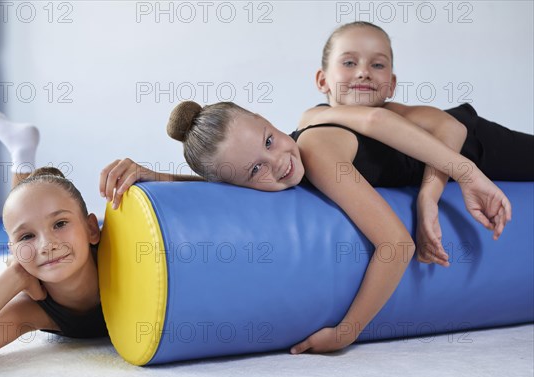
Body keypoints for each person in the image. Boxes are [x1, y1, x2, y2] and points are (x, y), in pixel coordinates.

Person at [99, 99, 513, 355]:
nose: (277, 161)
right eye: (256, 169)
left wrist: (346, 332)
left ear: (268, 120)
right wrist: (162, 179)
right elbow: (220, 188)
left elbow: (397, 244)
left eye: (268, 140)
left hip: (477, 144)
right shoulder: (276, 165)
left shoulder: (314, 150)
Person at [305, 21, 533, 266]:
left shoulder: (390, 112)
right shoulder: (316, 124)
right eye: (349, 62)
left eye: (378, 64)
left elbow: (452, 128)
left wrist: (428, 197)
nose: (364, 72)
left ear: (391, 84)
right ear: (322, 80)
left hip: (480, 144)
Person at [0, 104, 107, 377]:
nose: (47, 244)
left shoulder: (117, 249)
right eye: (26, 238)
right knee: (27, 214)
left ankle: (22, 153)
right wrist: (14, 275)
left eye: (60, 224)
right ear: (12, 253)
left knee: (30, 213)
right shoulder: (34, 310)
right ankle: (21, 153)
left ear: (91, 229)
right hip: (27, 268)